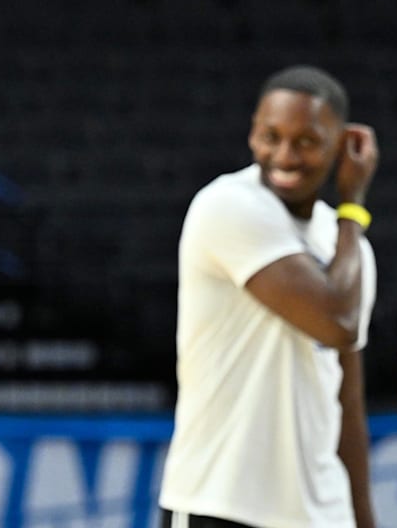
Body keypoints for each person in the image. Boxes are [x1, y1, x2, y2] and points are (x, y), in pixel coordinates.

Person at [159, 65, 378, 528]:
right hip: (221, 503)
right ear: (251, 134)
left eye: (306, 140)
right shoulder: (229, 205)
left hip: (321, 513)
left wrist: (363, 517)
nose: (284, 155)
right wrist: (353, 208)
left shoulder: (349, 249)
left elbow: (348, 397)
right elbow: (336, 318)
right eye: (270, 135)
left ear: (341, 145)